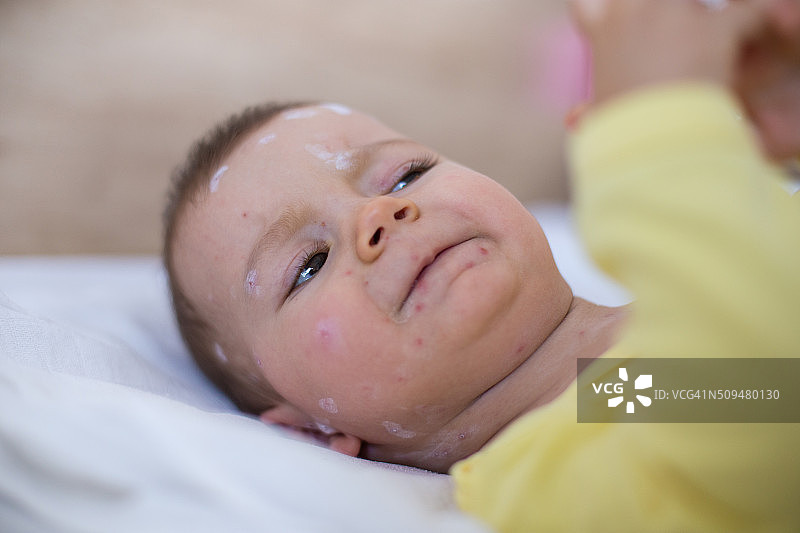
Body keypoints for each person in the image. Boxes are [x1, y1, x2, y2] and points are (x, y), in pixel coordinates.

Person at [162, 0, 800, 530]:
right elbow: (767, 396)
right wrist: (664, 135)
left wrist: (759, 147)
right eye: (309, 265)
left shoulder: (661, 321)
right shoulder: (553, 458)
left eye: (407, 174)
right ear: (311, 432)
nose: (379, 214)